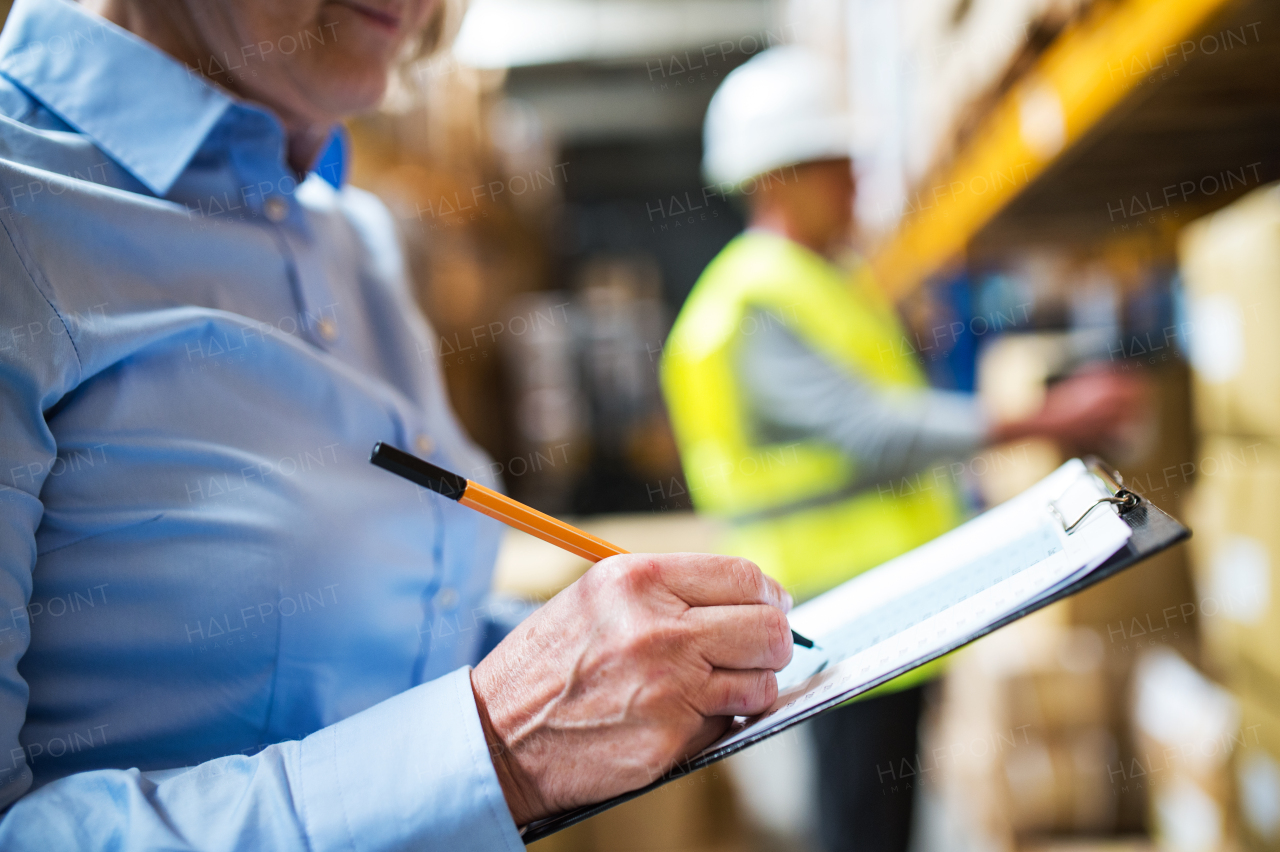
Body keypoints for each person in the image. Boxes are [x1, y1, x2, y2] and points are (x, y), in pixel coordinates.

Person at [0, 0, 796, 849]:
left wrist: (595, 658)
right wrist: (499, 745)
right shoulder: (23, 216)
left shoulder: (356, 243)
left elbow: (377, 642)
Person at [660, 46, 1142, 852]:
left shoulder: (823, 281)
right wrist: (1044, 421)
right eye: (835, 166)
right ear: (775, 177)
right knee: (861, 824)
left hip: (887, 610)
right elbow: (872, 432)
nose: (856, 185)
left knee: (883, 819)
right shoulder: (751, 305)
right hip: (834, 620)